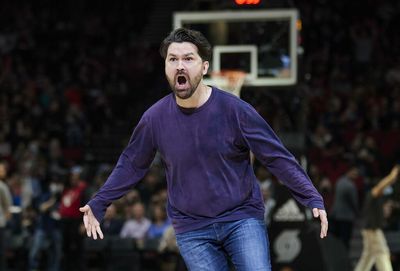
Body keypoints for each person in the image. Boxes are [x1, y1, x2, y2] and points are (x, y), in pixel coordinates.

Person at [80, 27, 328, 271]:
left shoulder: (235, 110)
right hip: (192, 227)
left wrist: (310, 195)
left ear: (205, 67)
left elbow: (276, 156)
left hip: (240, 218)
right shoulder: (154, 118)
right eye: (172, 59)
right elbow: (132, 163)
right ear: (165, 67)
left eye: (188, 59)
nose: (180, 66)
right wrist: (100, 201)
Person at [354, 165, 399, 271]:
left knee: (368, 257)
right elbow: (380, 187)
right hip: (372, 229)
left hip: (370, 229)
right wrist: (392, 177)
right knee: (382, 253)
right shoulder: (372, 194)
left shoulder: (379, 199)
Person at [330, 165, 359, 249]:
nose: (356, 176)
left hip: (335, 215)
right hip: (346, 217)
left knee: (336, 240)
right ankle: (344, 259)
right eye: (354, 173)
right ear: (348, 172)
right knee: (345, 241)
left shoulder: (339, 181)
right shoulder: (351, 186)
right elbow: (353, 203)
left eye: (356, 174)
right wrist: (357, 213)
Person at [0, 160, 13, 271]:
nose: (4, 171)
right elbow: (8, 206)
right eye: (2, 169)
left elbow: (7, 206)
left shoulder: (2, 186)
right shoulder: (2, 186)